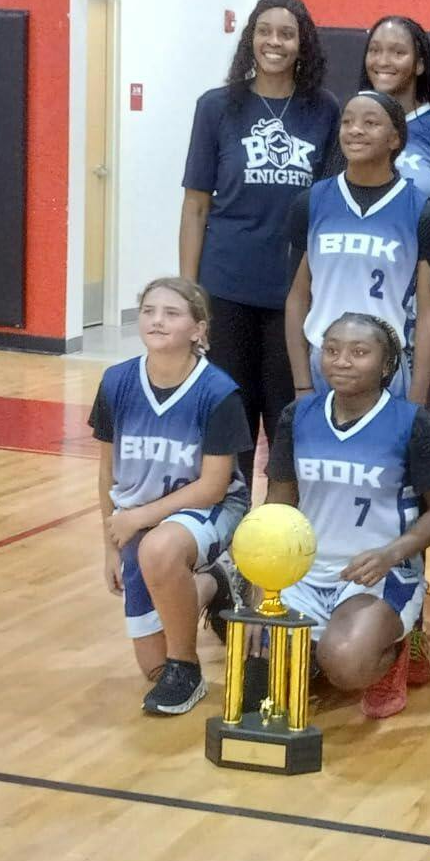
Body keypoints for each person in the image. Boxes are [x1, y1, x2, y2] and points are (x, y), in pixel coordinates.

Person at [181, 0, 339, 487]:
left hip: (294, 295)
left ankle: (281, 531)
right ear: (250, 38)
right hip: (225, 289)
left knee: (287, 422)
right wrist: (191, 298)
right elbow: (195, 206)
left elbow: (328, 209)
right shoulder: (216, 107)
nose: (275, 42)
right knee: (232, 423)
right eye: (265, 31)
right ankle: (229, 528)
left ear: (302, 43)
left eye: (286, 34)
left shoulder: (325, 110)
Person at [266, 313, 430, 718]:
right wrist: (263, 575)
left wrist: (393, 553)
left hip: (378, 573)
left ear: (386, 365)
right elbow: (278, 502)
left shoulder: (412, 423)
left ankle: (398, 649)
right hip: (305, 570)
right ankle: (323, 647)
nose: (342, 361)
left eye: (359, 352)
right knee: (263, 664)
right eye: (332, 350)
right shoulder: (297, 416)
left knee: (346, 662)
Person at [90, 277, 253, 715]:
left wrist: (139, 519)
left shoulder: (217, 391)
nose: (157, 320)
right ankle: (215, 584)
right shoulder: (116, 382)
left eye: (171, 313)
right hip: (139, 519)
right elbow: (107, 471)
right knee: (151, 666)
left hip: (210, 507)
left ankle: (188, 668)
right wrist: (110, 548)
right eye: (148, 311)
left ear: (198, 330)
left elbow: (212, 486)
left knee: (160, 549)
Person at [284, 91, 430, 403]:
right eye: (347, 122)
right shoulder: (311, 202)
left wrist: (416, 398)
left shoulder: (423, 213)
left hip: (387, 364)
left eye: (370, 123)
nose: (355, 130)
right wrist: (302, 384)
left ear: (395, 139)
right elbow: (297, 297)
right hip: (323, 360)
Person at [358, 15, 430, 202]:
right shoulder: (351, 126)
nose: (382, 61)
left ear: (420, 64)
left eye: (398, 53)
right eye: (374, 50)